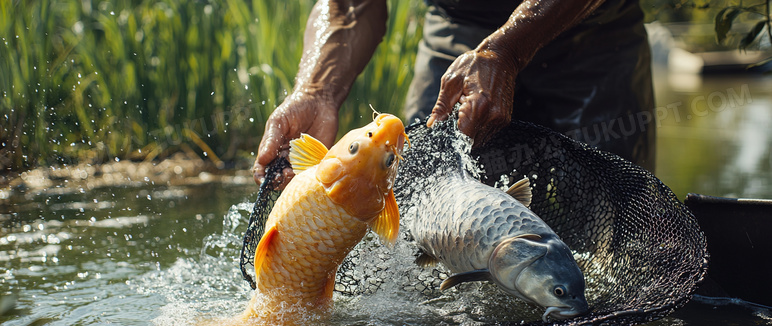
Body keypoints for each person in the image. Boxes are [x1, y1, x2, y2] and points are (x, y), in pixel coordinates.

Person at [253, 0, 656, 189]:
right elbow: (351, 5)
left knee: (607, 221)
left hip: (589, 34)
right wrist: (317, 90)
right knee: (421, 195)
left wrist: (505, 51)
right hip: (458, 25)